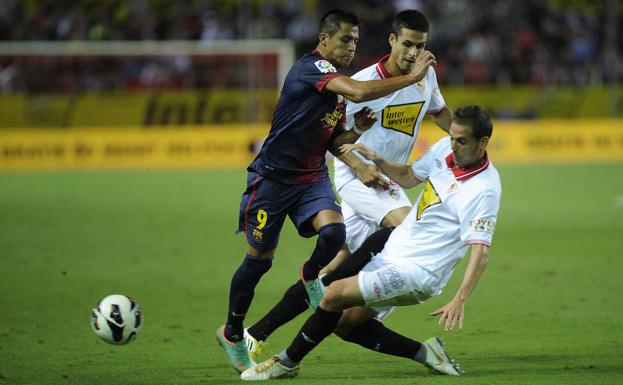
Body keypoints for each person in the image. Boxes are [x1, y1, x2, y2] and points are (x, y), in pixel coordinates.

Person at [217, 9, 437, 373]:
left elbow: (336, 142)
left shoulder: (335, 92)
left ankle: (310, 277)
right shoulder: (312, 69)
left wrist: (358, 132)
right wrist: (413, 77)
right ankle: (234, 330)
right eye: (345, 39)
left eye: (355, 40)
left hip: (311, 178)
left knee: (334, 233)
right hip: (272, 179)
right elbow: (361, 90)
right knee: (259, 261)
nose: (352, 46)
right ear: (324, 40)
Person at [240, 105, 502, 380]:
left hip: (418, 271)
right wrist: (378, 160)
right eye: (452, 137)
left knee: (332, 295)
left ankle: (287, 362)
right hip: (396, 248)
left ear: (483, 143)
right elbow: (409, 177)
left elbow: (480, 250)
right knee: (343, 323)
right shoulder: (443, 150)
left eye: (462, 141)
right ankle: (427, 353)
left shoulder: (483, 190)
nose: (454, 145)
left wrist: (460, 298)